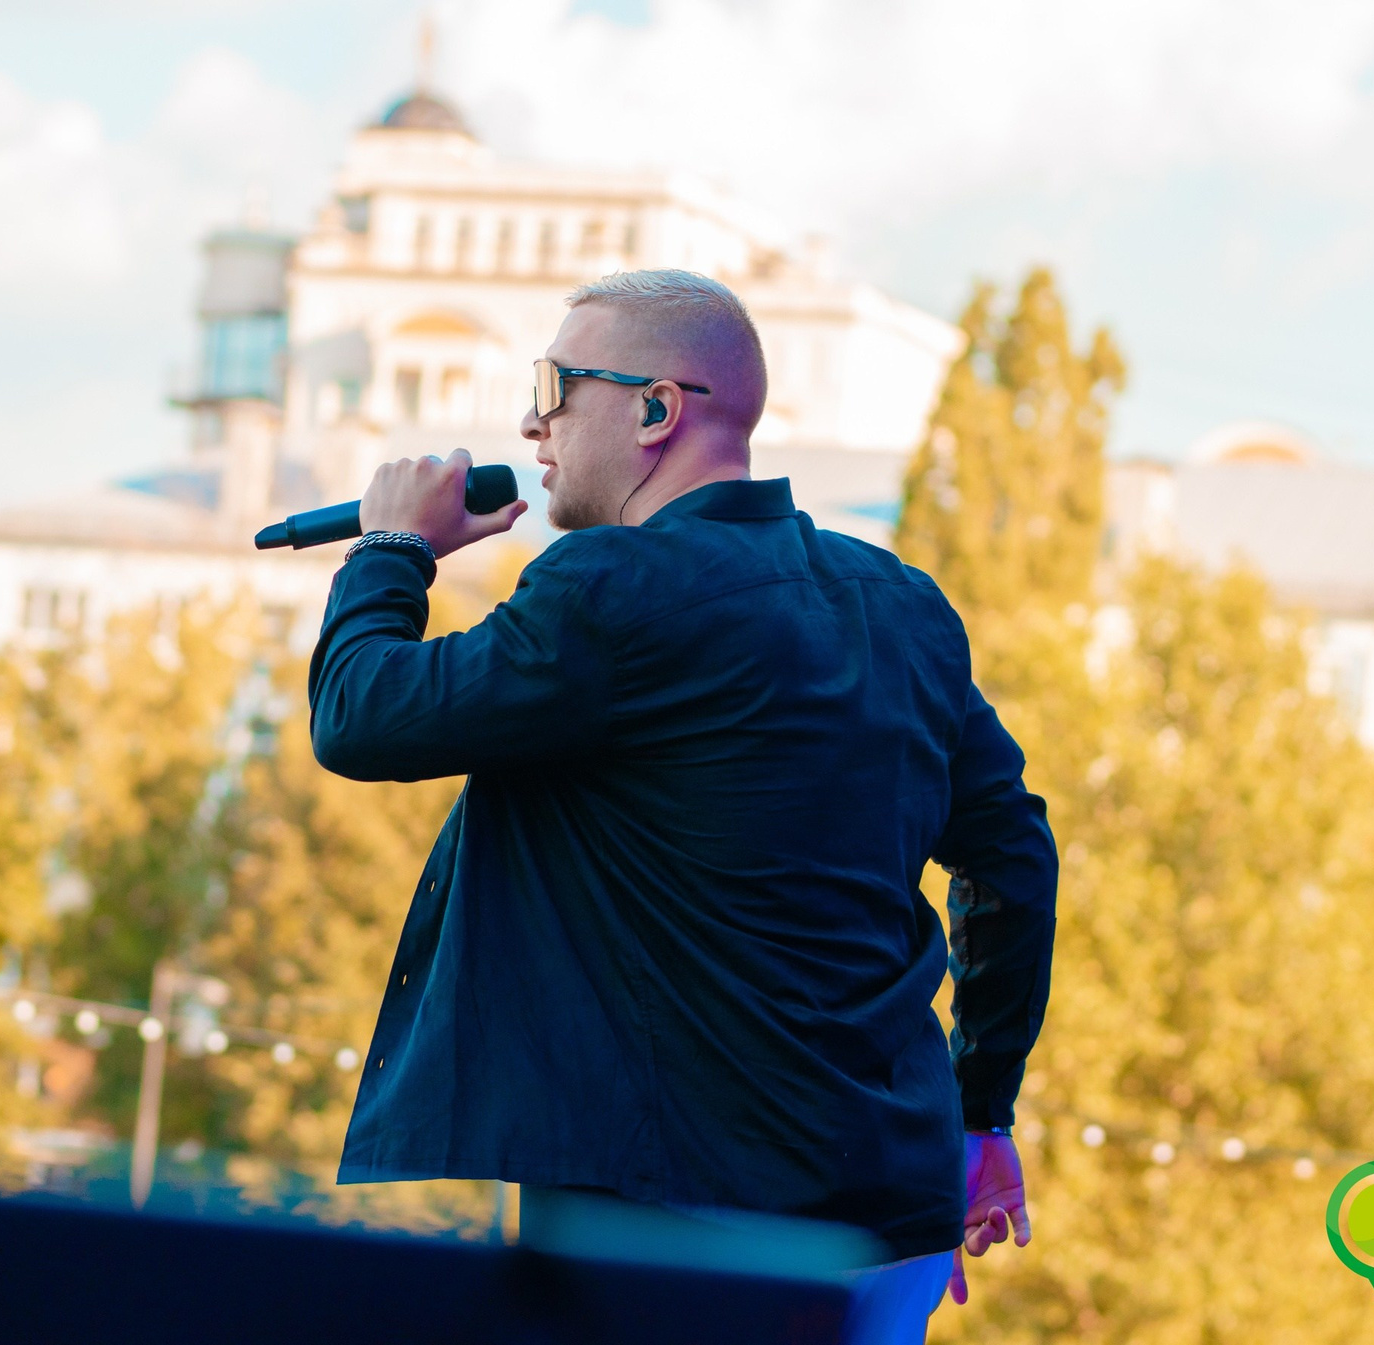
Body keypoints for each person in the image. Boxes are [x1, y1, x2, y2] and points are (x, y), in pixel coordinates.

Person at [309, 269, 1057, 1342]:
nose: (532, 422)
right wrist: (983, 1113)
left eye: (554, 386)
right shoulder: (899, 605)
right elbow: (1015, 859)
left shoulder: (610, 589)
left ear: (656, 409)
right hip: (893, 1214)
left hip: (670, 1227)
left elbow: (361, 715)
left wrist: (391, 549)